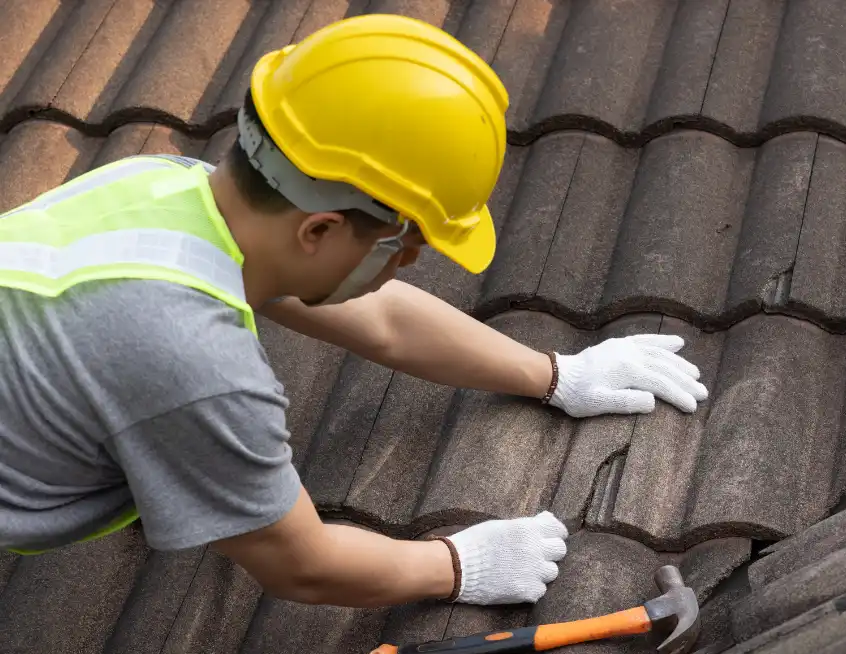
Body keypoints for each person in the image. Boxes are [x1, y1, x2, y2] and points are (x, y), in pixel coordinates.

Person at [0, 15, 707, 609]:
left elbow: (384, 320)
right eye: (405, 245)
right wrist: (458, 564)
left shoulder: (163, 186)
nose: (408, 265)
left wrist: (557, 374)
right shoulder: (193, 363)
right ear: (320, 230)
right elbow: (298, 562)